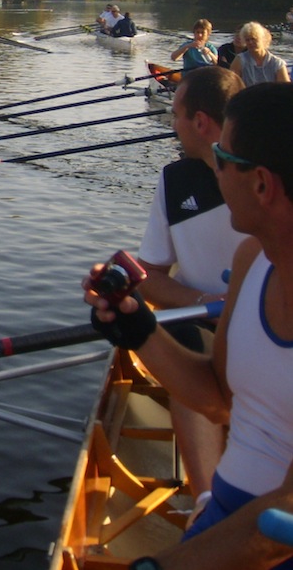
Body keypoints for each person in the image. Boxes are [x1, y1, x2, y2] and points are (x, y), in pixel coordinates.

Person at [85, 82, 293, 570]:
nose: (213, 168)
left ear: (261, 185)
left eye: (222, 158)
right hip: (224, 520)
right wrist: (137, 330)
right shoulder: (250, 261)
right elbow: (218, 399)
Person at [135, 66, 247, 504]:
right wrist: (205, 300)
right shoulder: (174, 180)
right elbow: (149, 278)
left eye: (175, 115)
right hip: (205, 322)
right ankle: (207, 501)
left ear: (199, 122)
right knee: (184, 337)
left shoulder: (271, 174)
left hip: (273, 317)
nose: (171, 124)